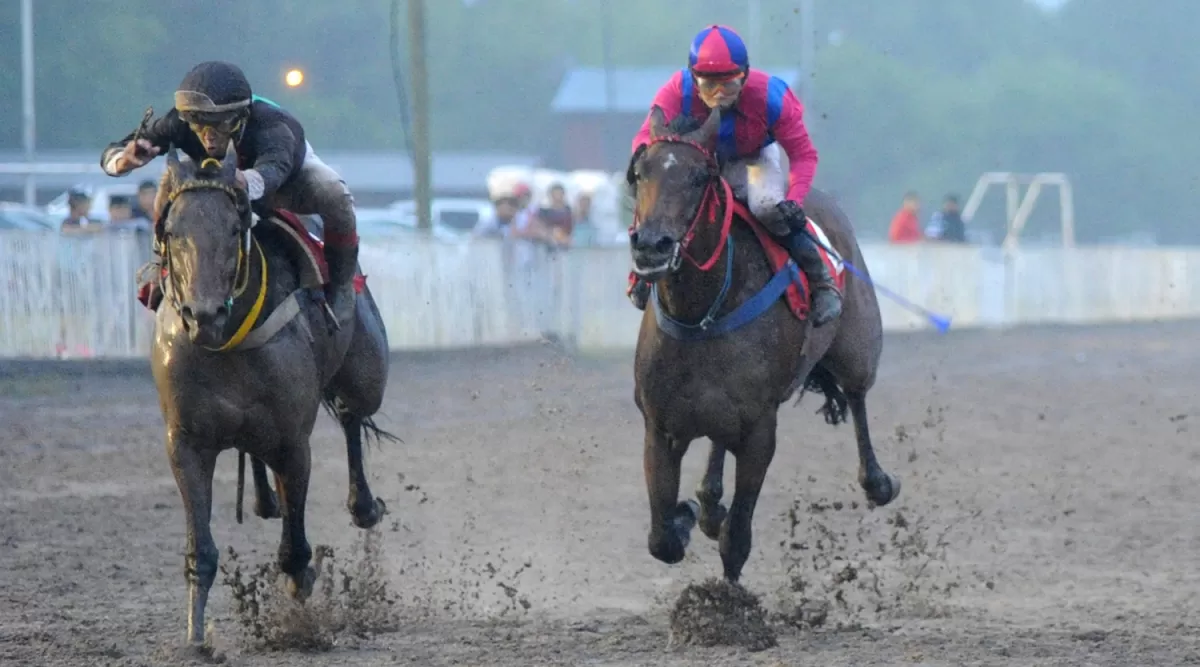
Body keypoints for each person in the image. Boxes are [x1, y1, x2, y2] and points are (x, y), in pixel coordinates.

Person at [97, 60, 359, 326]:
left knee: (334, 192)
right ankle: (159, 263)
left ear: (242, 116)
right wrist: (124, 161)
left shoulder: (272, 125)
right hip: (222, 178)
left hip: (286, 182)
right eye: (198, 123)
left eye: (220, 124)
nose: (208, 136)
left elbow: (274, 171)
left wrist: (244, 180)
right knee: (169, 179)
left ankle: (342, 286)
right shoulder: (179, 121)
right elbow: (113, 151)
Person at [625, 24, 841, 327]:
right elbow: (646, 137)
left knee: (766, 205)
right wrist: (642, 159)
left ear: (746, 74)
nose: (718, 95)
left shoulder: (772, 98)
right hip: (697, 159)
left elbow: (804, 155)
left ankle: (822, 282)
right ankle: (642, 274)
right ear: (692, 76)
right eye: (708, 84)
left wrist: (793, 200)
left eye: (729, 84)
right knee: (659, 192)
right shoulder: (677, 90)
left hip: (753, 158)